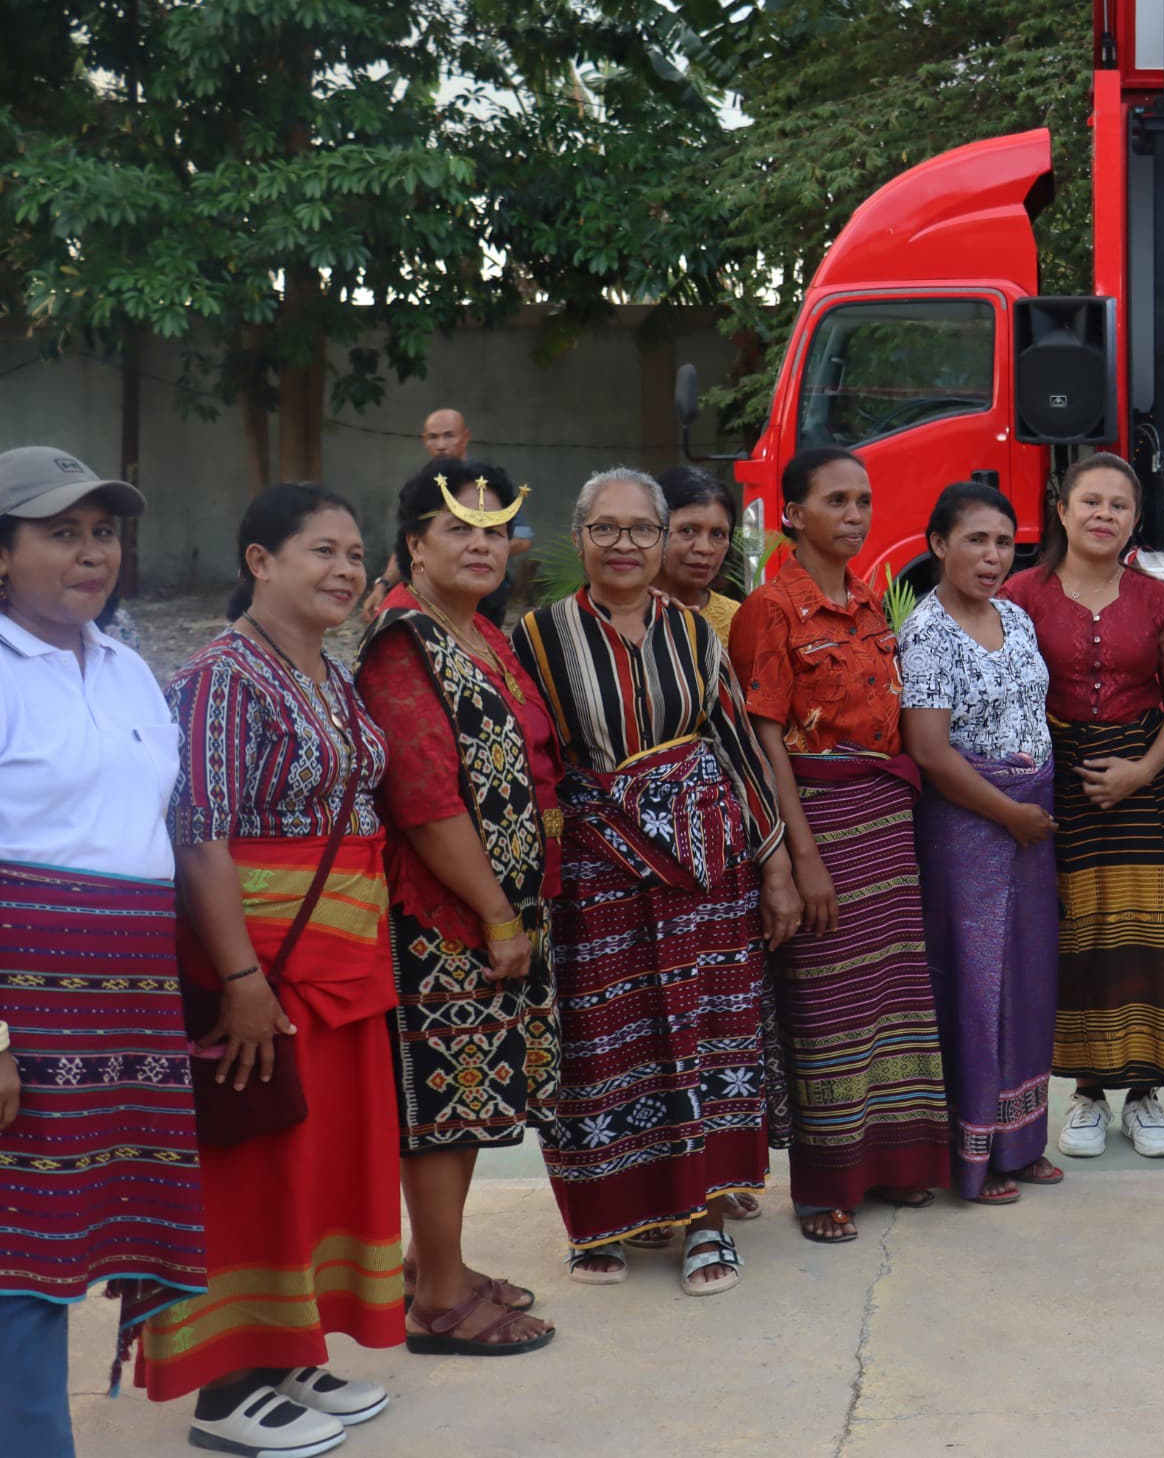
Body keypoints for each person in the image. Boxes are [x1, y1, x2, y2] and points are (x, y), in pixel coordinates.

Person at [142, 486, 404, 1450]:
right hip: (262, 967)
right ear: (260, 561)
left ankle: (288, 1350)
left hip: (340, 961)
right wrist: (241, 981)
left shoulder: (330, 673)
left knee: (314, 1160)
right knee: (251, 1164)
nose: (345, 569)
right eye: (321, 550)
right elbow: (199, 836)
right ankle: (225, 1391)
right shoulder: (218, 678)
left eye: (355, 554)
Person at [512, 470, 795, 1293]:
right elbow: (533, 761)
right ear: (580, 538)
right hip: (594, 881)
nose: (625, 545)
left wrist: (775, 861)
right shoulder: (537, 638)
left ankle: (706, 1222)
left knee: (704, 1042)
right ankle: (608, 1220)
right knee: (603, 1049)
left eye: (642, 529)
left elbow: (737, 746)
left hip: (705, 878)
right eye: (607, 528)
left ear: (661, 539)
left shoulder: (695, 634)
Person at [0, 448, 200, 1458]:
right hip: (25, 1006)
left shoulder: (126, 669)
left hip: (126, 1004)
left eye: (104, 532)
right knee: (17, 1255)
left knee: (78, 1236)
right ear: (2, 554)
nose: (92, 553)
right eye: (61, 533)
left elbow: (160, 829)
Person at [354, 462, 559, 1358]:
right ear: (415, 545)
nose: (482, 545)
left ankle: (433, 1262)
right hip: (444, 916)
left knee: (474, 1096)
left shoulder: (478, 632)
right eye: (458, 530)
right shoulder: (404, 643)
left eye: (495, 530)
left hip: (497, 909)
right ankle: (439, 1299)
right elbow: (426, 801)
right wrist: (497, 914)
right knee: (444, 1103)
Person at [729, 447, 949, 1241]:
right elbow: (766, 742)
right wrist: (801, 857)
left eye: (862, 501)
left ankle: (897, 1165)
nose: (854, 515)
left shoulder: (868, 601)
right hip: (819, 821)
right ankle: (827, 1186)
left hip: (886, 823)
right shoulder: (770, 609)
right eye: (835, 501)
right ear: (792, 514)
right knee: (827, 1005)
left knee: (894, 998)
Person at [1003, 455, 1164, 1158]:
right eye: (1090, 501)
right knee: (1077, 933)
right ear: (1061, 510)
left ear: (1134, 520)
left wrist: (1142, 771)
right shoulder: (1021, 596)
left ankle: (1145, 1092)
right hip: (1055, 783)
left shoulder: (1155, 600)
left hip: (1144, 785)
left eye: (1119, 505)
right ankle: (1088, 1093)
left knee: (1148, 933)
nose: (1104, 515)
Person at [901, 482, 1065, 1203]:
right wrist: (1009, 814)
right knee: (974, 984)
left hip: (1029, 820)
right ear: (939, 545)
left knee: (1026, 978)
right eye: (976, 540)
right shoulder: (927, 634)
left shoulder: (1016, 618)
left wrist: (1030, 812)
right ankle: (975, 1155)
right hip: (970, 828)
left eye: (1003, 543)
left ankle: (1021, 1142)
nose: (993, 556)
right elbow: (930, 752)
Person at [361, 409, 532, 619]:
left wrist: (471, 560)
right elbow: (407, 542)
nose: (441, 445)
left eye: (449, 436)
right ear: (424, 440)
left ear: (465, 437)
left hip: (485, 601)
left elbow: (523, 539)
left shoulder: (487, 486)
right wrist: (382, 585)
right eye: (433, 437)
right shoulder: (422, 487)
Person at [656, 465, 746, 642]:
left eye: (717, 534)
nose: (705, 548)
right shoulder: (621, 612)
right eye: (687, 531)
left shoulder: (738, 620)